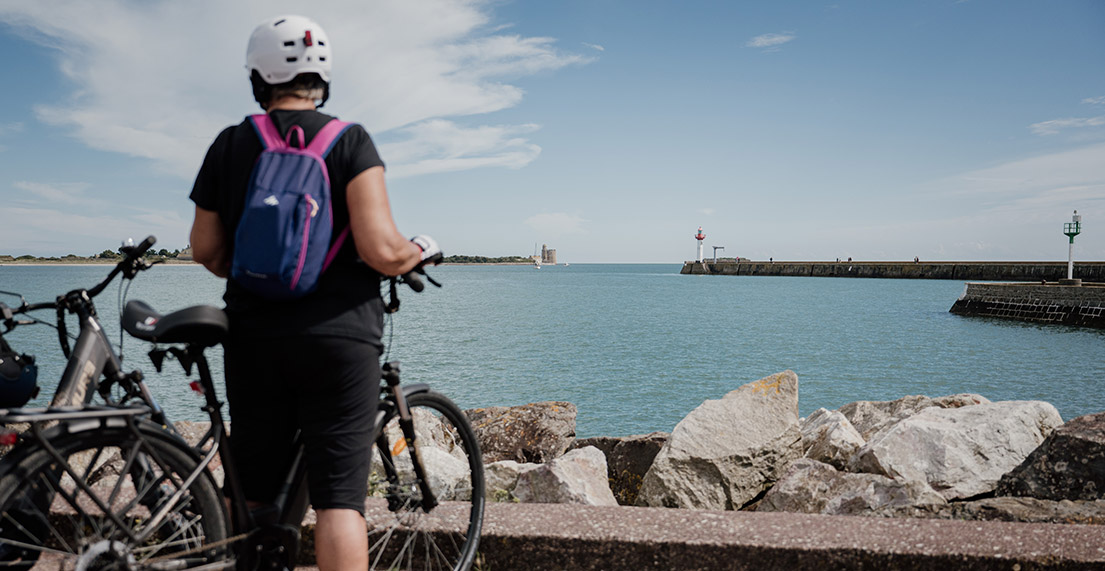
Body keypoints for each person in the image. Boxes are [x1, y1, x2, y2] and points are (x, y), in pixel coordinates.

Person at [188, 15, 438, 570]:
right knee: (339, 503)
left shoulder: (230, 144)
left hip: (253, 336)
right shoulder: (348, 141)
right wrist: (415, 250)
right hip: (339, 337)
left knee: (249, 487)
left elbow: (204, 249)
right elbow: (379, 249)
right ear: (321, 75)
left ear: (259, 77)